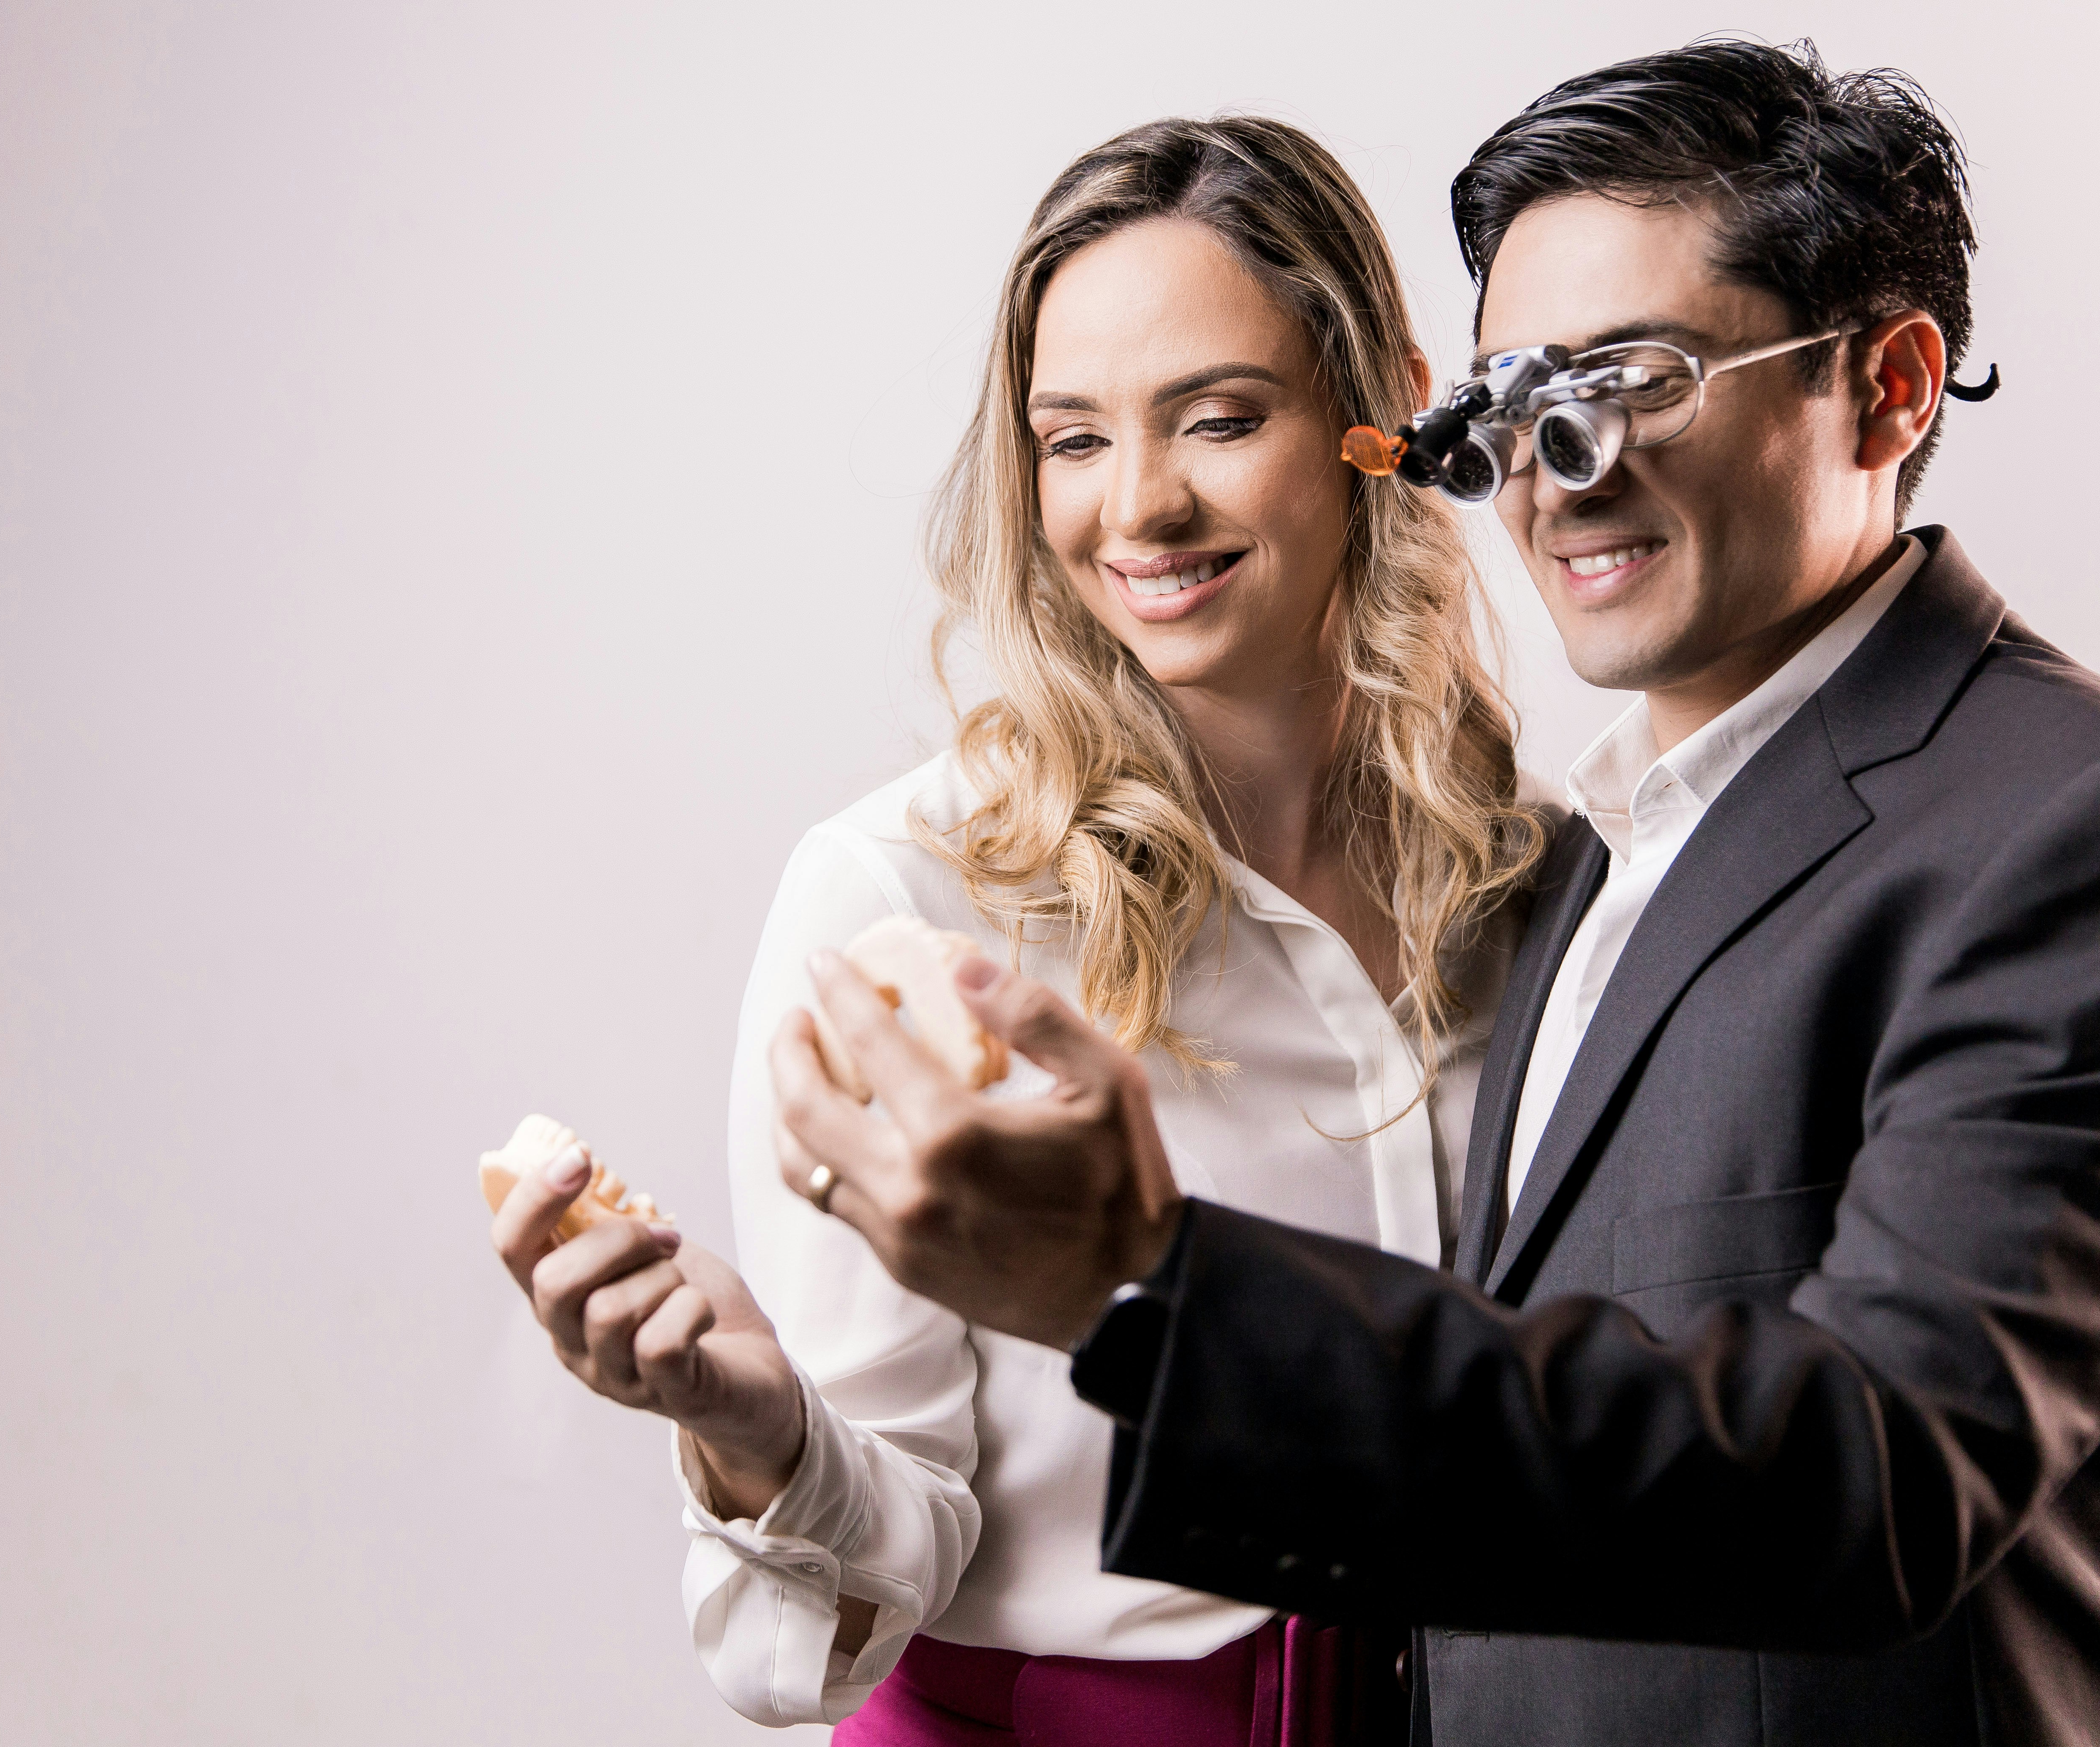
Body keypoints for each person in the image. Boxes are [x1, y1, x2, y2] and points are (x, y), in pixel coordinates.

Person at [768, 41, 2100, 1747]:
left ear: (1888, 391)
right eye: (1518, 396)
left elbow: (1875, 1482)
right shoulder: (1568, 856)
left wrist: (1145, 1281)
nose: (1556, 467)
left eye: (1639, 377)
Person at [489, 117, 1540, 1743]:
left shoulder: (1542, 863)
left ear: (1382, 408)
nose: (1143, 506)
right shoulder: (903, 899)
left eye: (1221, 417)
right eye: (1073, 439)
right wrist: (754, 1424)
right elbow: (866, 1585)